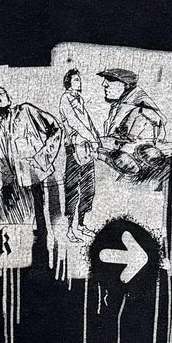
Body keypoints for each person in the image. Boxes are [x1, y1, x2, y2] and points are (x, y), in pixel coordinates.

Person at [0, 86, 62, 221]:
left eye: (1, 93)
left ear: (10, 100)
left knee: (40, 220)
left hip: (35, 178)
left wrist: (42, 159)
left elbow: (55, 129)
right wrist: (1, 178)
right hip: (9, 187)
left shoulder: (26, 111)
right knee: (13, 222)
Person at [97, 66, 166, 180]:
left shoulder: (142, 111)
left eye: (110, 80)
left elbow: (130, 149)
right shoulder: (121, 104)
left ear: (126, 85)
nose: (104, 84)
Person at [57, 68, 101, 240]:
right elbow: (75, 122)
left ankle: (81, 224)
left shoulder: (80, 99)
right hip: (74, 148)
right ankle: (69, 229)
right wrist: (92, 138)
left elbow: (88, 122)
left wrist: (96, 138)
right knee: (72, 188)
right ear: (68, 82)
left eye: (79, 79)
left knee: (88, 188)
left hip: (87, 149)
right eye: (76, 80)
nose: (79, 82)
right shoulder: (66, 99)